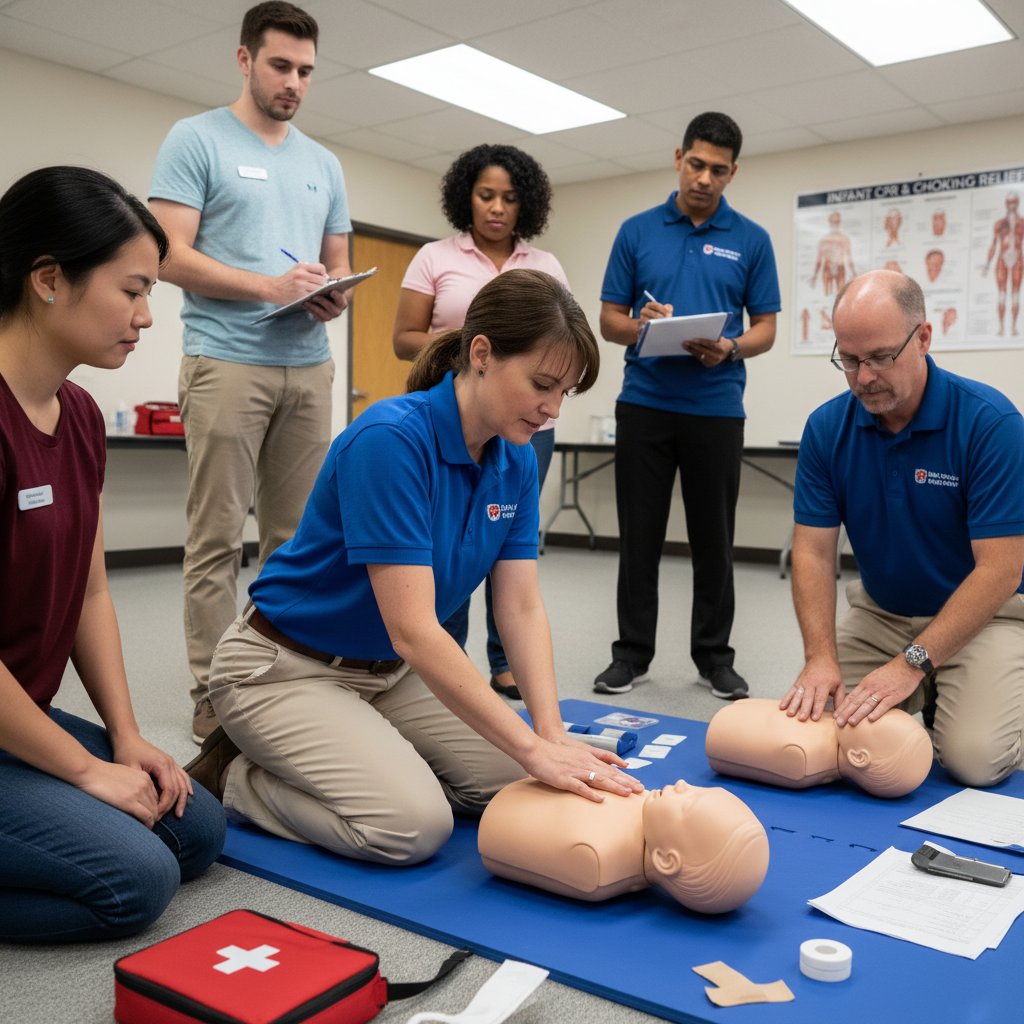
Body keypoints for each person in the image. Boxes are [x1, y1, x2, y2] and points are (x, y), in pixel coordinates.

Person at [186, 270, 644, 866]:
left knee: (518, 780)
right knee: (411, 827)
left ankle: (365, 753)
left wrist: (550, 734)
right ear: (482, 354)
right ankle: (235, 774)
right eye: (541, 385)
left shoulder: (516, 460)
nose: (552, 409)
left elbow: (521, 606)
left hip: (389, 674)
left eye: (566, 393)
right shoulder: (392, 439)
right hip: (284, 669)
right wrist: (534, 749)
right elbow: (414, 629)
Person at [0, 166, 225, 942]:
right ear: (48, 280)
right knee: (135, 880)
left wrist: (124, 736)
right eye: (132, 290)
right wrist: (86, 770)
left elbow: (91, 592)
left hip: (18, 715)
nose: (146, 316)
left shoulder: (81, 415)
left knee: (196, 830)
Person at [149, 1, 354, 744]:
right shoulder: (195, 138)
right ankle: (212, 691)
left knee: (297, 541)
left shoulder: (324, 163)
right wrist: (270, 287)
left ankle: (279, 681)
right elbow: (166, 254)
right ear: (244, 60)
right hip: (226, 361)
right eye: (280, 65)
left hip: (309, 366)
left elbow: (336, 261)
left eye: (306, 71)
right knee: (216, 538)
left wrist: (333, 292)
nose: (294, 82)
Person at [781, 269, 1024, 789]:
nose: (864, 377)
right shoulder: (826, 428)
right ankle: (934, 689)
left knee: (974, 761)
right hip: (882, 613)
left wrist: (912, 665)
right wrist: (819, 657)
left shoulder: (990, 423)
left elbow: (1001, 571)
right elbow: (813, 554)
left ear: (924, 338)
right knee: (815, 731)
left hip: (988, 617)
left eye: (880, 357)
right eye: (849, 360)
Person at [594, 111, 780, 700]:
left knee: (713, 541)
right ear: (679, 158)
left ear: (733, 173)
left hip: (717, 408)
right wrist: (641, 325)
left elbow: (766, 328)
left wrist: (731, 347)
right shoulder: (636, 231)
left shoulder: (751, 239)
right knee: (639, 538)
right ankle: (630, 655)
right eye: (696, 164)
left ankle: (715, 658)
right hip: (644, 405)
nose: (704, 178)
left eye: (718, 170)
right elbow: (609, 321)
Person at [393, 144, 569, 702]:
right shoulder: (434, 257)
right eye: (486, 195)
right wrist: (474, 340)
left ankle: (505, 661)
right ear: (465, 198)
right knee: (449, 538)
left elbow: (561, 342)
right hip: (455, 415)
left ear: (525, 205)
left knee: (504, 536)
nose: (497, 207)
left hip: (524, 430)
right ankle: (444, 652)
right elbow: (403, 338)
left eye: (509, 198)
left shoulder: (545, 265)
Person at [478, 777, 768, 914]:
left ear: (667, 860)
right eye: (698, 788)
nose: (682, 783)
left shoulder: (597, 860)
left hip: (501, 807)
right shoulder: (650, 805)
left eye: (687, 803)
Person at [706, 699, 932, 798]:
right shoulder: (835, 730)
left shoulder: (804, 758)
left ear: (858, 757)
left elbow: (725, 734)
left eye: (875, 719)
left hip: (723, 726)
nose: (872, 709)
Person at [982, 191, 1022, 336]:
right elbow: (994, 245)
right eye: (1009, 202)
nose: (1012, 206)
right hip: (1002, 260)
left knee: (1016, 294)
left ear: (1017, 203)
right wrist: (987, 264)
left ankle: (1014, 327)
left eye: (1014, 202)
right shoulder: (999, 224)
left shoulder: (1022, 223)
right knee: (1002, 294)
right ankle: (1001, 327)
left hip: (1018, 259)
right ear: (1006, 204)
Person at [809, 210, 855, 295]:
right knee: (826, 295)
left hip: (840, 268)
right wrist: (814, 275)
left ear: (840, 223)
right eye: (833, 222)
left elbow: (849, 259)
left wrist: (854, 274)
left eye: (837, 222)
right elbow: (819, 260)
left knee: (841, 296)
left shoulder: (845, 239)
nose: (835, 224)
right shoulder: (824, 240)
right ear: (829, 222)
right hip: (827, 268)